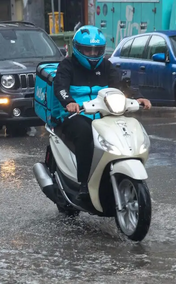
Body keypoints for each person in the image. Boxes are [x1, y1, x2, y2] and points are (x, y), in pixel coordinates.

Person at [53, 25, 152, 200]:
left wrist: (138, 97)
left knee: (124, 130)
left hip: (104, 113)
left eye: (96, 50)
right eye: (87, 50)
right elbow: (60, 87)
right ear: (77, 48)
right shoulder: (67, 65)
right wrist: (69, 102)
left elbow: (121, 85)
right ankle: (84, 185)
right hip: (76, 114)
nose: (92, 54)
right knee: (85, 135)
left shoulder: (107, 66)